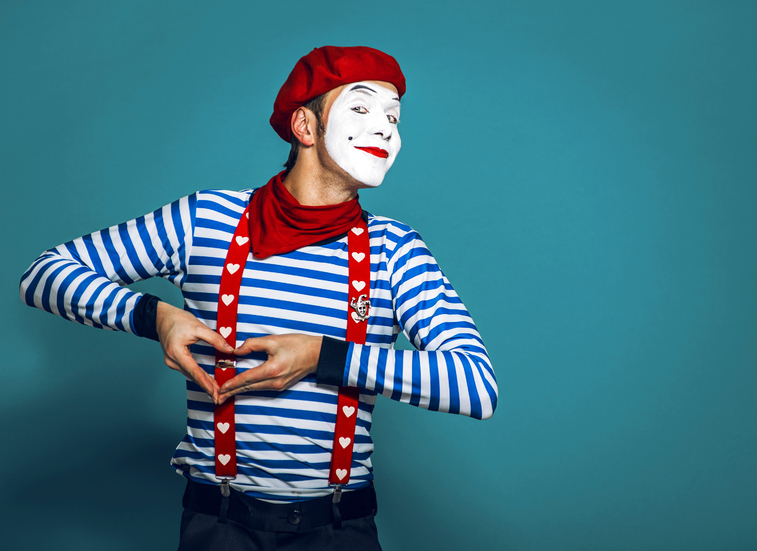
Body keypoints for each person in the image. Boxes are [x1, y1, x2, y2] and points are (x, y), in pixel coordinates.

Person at [20, 45, 497, 550]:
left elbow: (475, 385)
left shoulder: (394, 250)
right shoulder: (206, 221)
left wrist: (323, 356)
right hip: (219, 525)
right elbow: (43, 274)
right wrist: (153, 316)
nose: (385, 129)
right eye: (361, 108)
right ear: (305, 127)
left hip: (340, 531)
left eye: (393, 117)